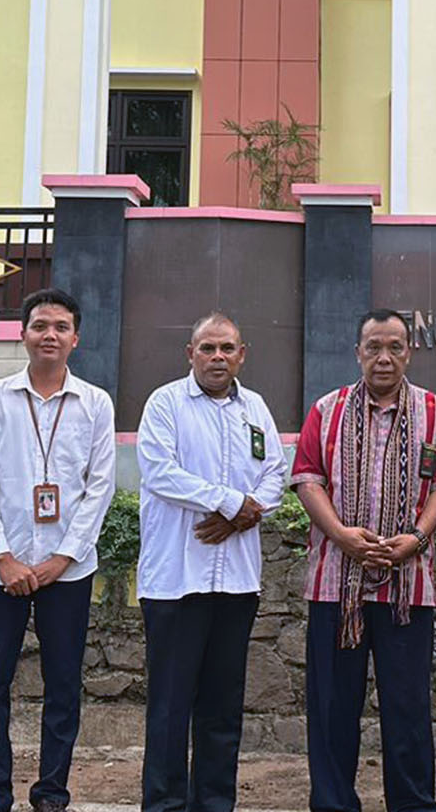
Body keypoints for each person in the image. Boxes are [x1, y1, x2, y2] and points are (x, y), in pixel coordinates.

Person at [290, 309, 436, 812]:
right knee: (331, 707)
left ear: (409, 352)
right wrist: (341, 536)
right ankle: (333, 803)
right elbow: (307, 480)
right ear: (357, 352)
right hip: (334, 585)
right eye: (373, 347)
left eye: (394, 347)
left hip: (407, 587)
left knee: (408, 709)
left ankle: (412, 805)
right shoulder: (326, 410)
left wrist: (416, 538)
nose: (384, 358)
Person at [0, 288, 116, 812]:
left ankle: (51, 792)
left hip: (67, 572)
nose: (49, 335)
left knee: (63, 686)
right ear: (23, 333)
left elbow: (100, 487)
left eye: (60, 327)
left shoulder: (95, 403)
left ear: (76, 338)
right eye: (39, 325)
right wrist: (2, 556)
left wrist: (63, 558)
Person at [136, 312, 287, 812]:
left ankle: (215, 803)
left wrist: (242, 517)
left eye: (227, 348)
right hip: (176, 583)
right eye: (207, 348)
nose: (217, 357)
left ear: (242, 354)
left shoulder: (256, 407)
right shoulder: (165, 404)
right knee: (169, 708)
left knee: (222, 709)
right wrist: (230, 503)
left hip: (236, 582)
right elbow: (161, 473)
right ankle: (164, 804)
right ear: (190, 354)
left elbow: (275, 474)